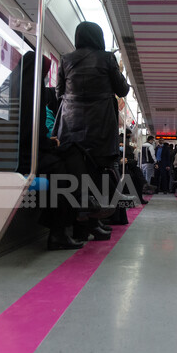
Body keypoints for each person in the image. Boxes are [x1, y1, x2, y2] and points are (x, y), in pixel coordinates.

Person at [55, 22, 131, 241]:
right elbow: (122, 89)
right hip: (100, 123)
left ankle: (83, 225)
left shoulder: (66, 59)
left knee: (76, 175)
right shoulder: (107, 58)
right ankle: (92, 223)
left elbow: (60, 92)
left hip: (71, 123)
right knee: (98, 174)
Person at [13, 51, 87, 251]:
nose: (45, 79)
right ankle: (61, 229)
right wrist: (49, 144)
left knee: (71, 154)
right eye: (44, 74)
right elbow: (28, 135)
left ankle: (69, 221)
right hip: (22, 157)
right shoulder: (28, 96)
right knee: (64, 171)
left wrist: (48, 142)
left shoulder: (18, 91)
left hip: (25, 152)